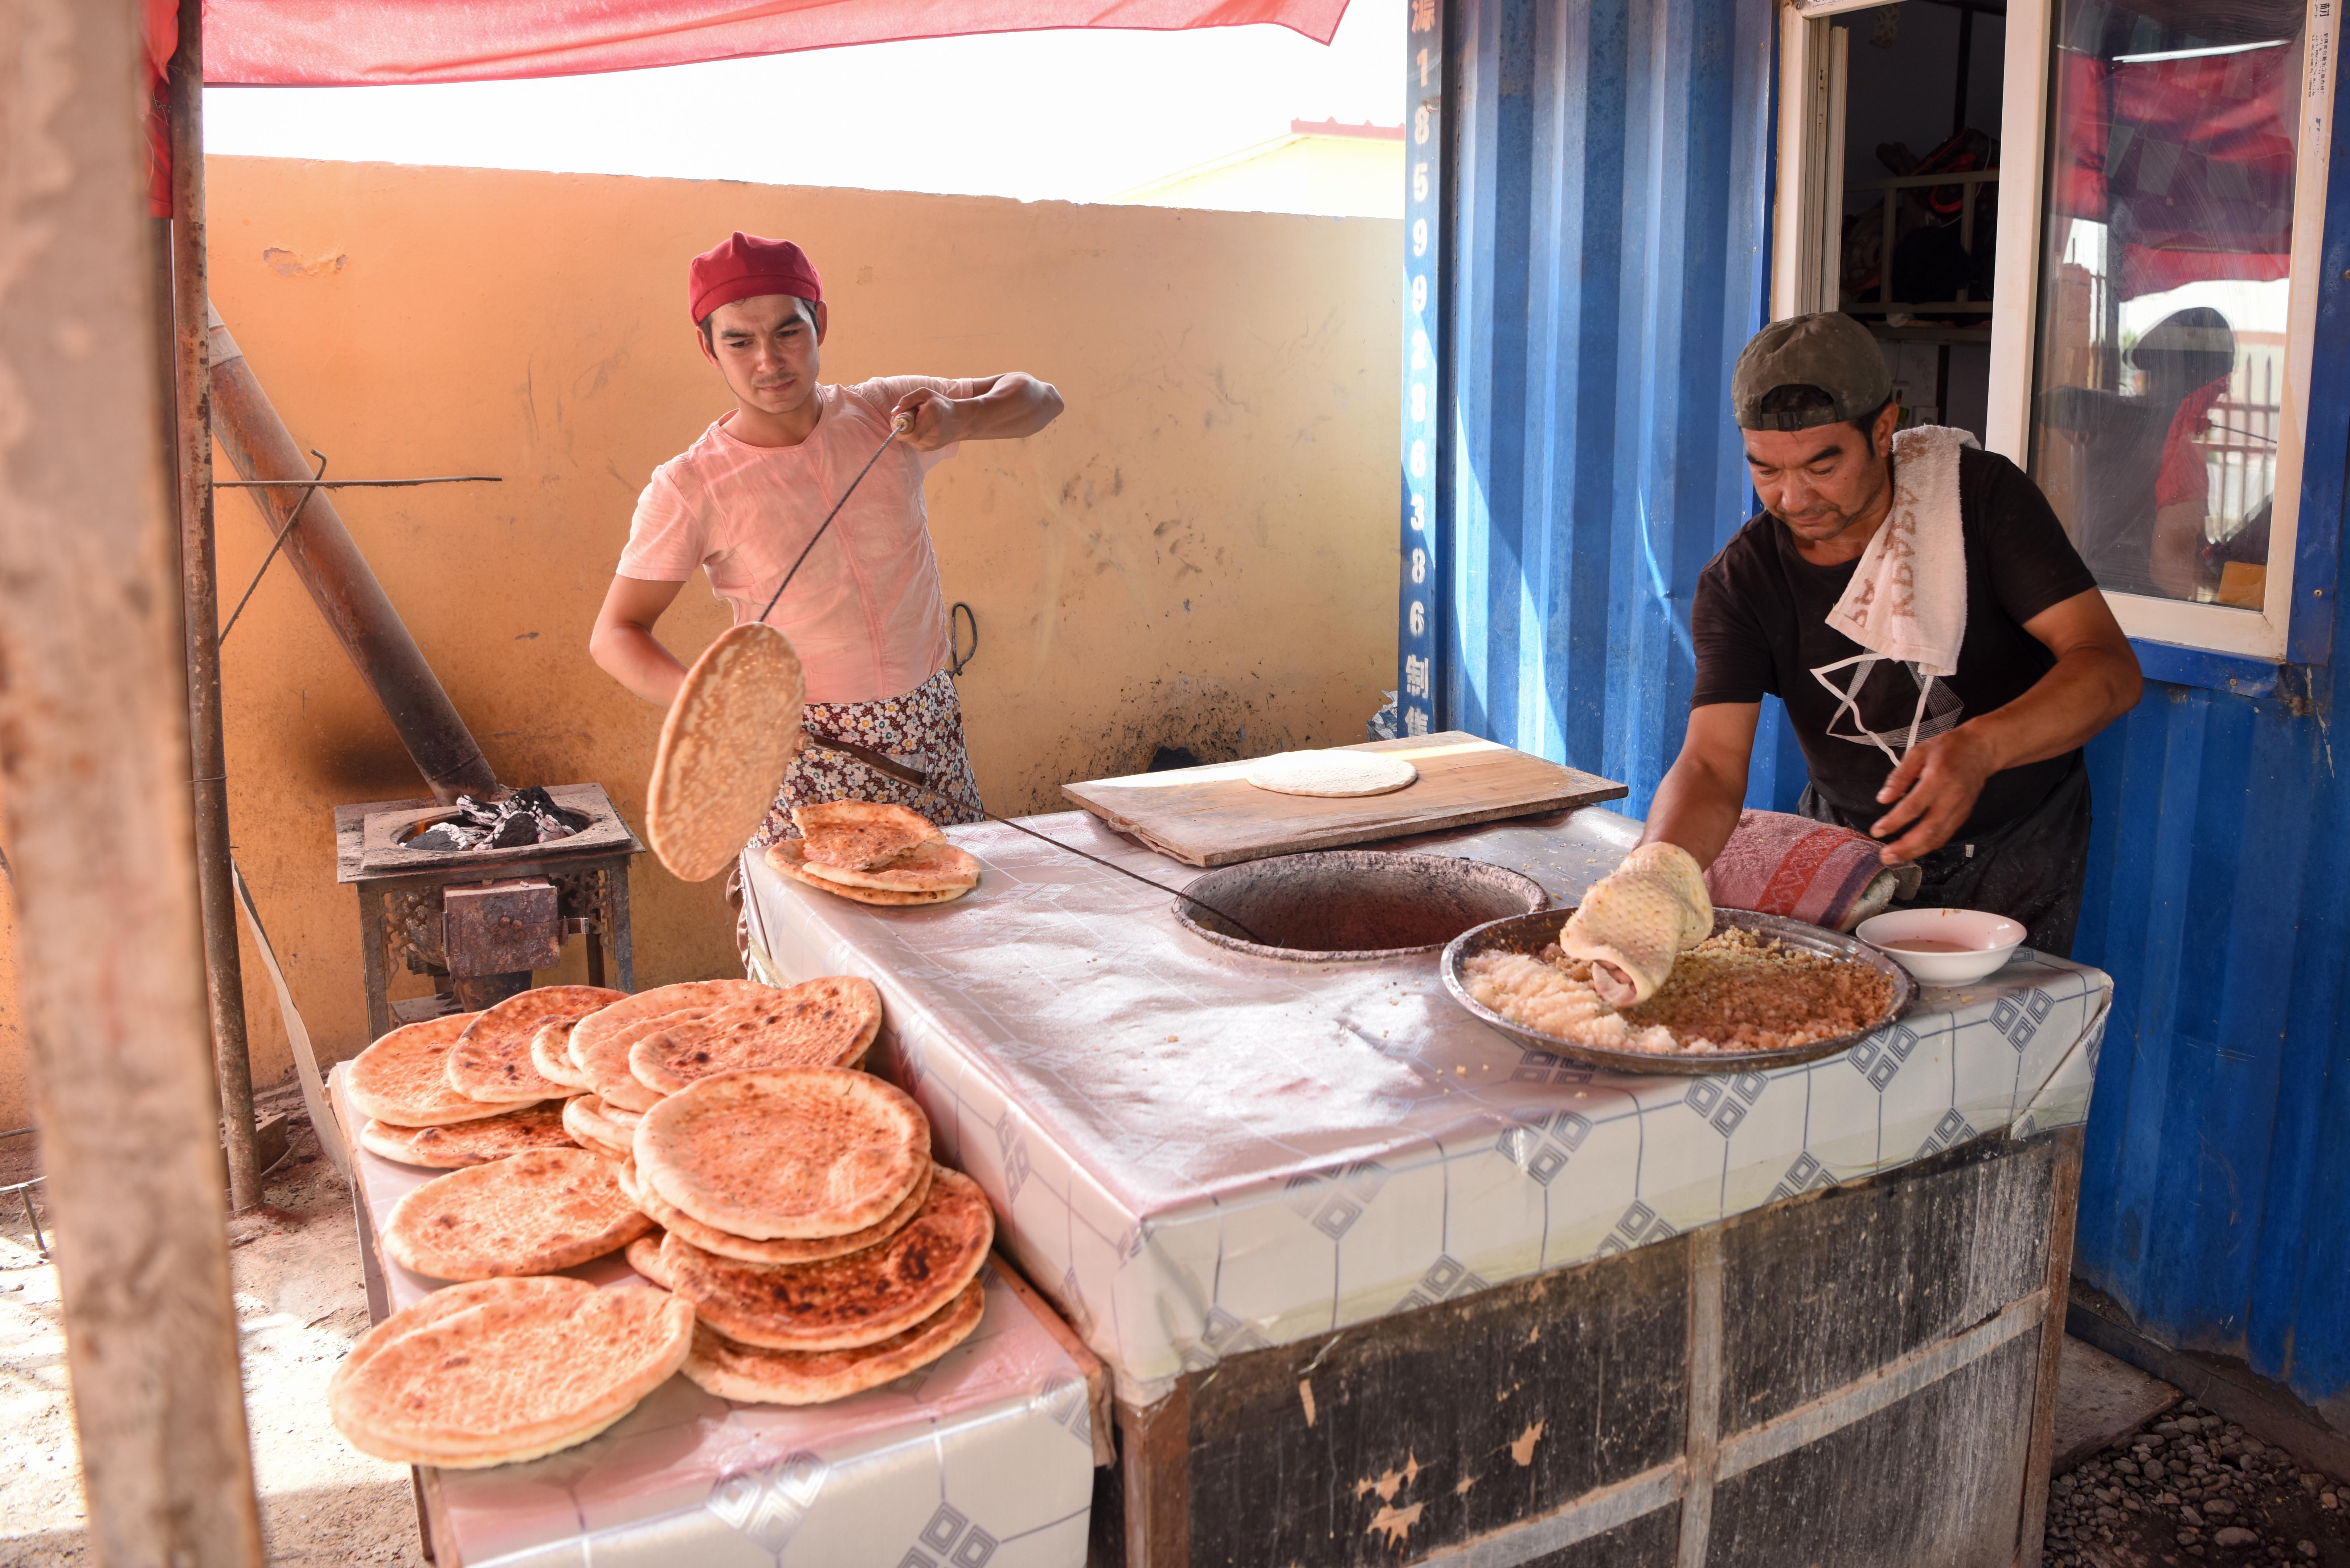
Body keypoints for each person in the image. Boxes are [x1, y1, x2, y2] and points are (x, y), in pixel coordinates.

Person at [1640, 311, 2142, 956]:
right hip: (1852, 849)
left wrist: (1981, 747)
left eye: (1822, 467)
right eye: (1766, 470)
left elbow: (2108, 667)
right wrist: (1655, 877)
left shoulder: (1981, 503)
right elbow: (1710, 763)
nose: (1793, 499)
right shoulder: (1743, 582)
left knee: (1986, 1042)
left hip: (2017, 842)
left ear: (1884, 429)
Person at [590, 231, 1064, 853]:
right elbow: (616, 634)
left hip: (929, 727)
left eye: (789, 332)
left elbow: (1041, 400)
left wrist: (960, 416)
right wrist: (712, 706)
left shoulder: (885, 412)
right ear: (708, 349)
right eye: (739, 340)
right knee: (823, 940)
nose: (769, 360)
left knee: (951, 923)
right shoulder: (690, 484)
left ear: (820, 325)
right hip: (801, 749)